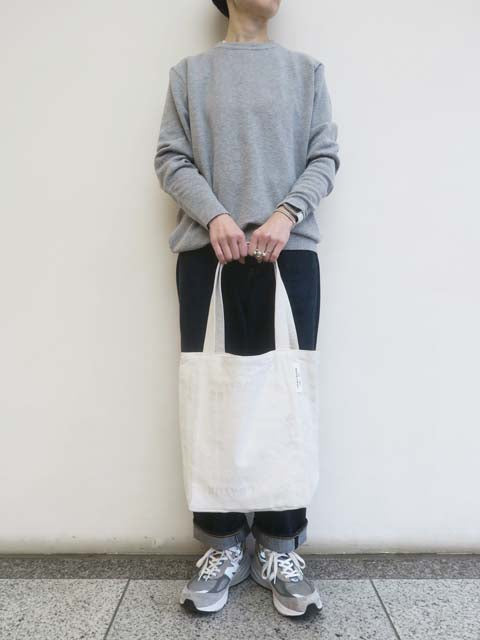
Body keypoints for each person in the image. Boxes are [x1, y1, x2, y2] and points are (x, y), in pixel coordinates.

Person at [153, 0, 340, 620]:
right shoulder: (190, 74)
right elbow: (171, 157)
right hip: (210, 257)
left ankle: (281, 547)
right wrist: (215, 216)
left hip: (290, 256)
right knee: (215, 397)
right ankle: (223, 544)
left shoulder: (305, 72)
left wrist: (287, 213)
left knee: (286, 397)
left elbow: (324, 157)